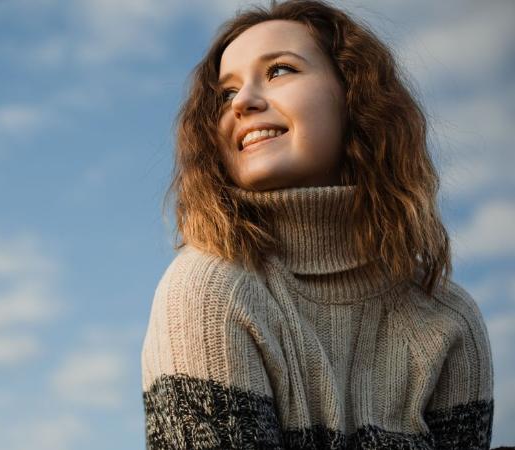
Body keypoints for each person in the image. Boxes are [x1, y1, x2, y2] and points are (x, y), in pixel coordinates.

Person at [140, 0, 496, 449]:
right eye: (226, 94)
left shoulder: (448, 317)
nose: (243, 103)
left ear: (354, 96)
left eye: (280, 71)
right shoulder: (208, 291)